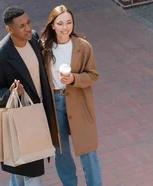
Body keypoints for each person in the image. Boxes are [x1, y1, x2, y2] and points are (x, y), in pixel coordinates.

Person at [0, 6, 56, 186]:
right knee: (32, 170)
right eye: (21, 26)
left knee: (20, 168)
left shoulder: (33, 39)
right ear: (9, 29)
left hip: (41, 111)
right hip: (22, 118)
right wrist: (11, 93)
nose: (27, 29)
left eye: (28, 23)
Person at [40, 5, 102, 186]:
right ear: (52, 25)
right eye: (60, 23)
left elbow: (93, 75)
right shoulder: (45, 48)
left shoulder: (83, 47)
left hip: (78, 102)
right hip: (55, 102)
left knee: (88, 150)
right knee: (61, 152)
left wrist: (74, 78)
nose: (65, 27)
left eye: (69, 23)